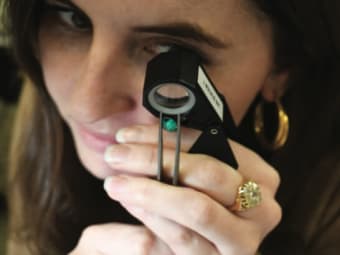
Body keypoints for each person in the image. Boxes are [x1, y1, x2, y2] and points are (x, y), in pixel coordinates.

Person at [3, 0, 340, 254]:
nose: (85, 105)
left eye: (170, 49)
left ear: (281, 71)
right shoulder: (31, 114)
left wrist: (250, 206)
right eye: (74, 19)